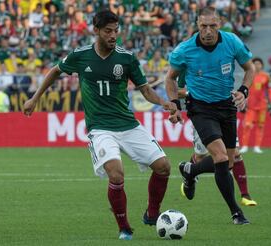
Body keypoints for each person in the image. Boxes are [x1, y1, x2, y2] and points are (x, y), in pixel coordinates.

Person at [23, 10, 177, 240]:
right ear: (95, 30)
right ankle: (124, 228)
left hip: (127, 124)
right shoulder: (81, 55)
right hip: (100, 128)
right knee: (116, 174)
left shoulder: (127, 58)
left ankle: (152, 213)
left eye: (116, 31)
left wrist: (165, 102)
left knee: (164, 166)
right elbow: (55, 72)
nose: (113, 35)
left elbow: (145, 89)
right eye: (108, 31)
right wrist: (35, 98)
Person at [165, 7, 256, 225]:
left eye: (212, 26)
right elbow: (170, 79)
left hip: (226, 105)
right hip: (200, 108)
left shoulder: (232, 41)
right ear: (197, 25)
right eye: (203, 26)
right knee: (221, 157)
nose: (207, 31)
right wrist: (175, 105)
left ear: (219, 23)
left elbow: (250, 68)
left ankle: (190, 170)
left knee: (230, 162)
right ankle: (236, 212)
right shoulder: (184, 50)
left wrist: (244, 91)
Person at [176, 71, 257, 206]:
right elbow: (177, 90)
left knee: (234, 154)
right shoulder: (189, 61)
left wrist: (239, 96)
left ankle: (245, 195)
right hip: (202, 114)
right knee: (201, 156)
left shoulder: (220, 58)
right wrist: (193, 93)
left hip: (224, 112)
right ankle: (189, 174)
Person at [240, 57, 271, 154]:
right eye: (255, 64)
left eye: (259, 64)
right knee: (247, 125)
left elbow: (269, 90)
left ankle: (257, 147)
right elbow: (244, 89)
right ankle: (245, 146)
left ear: (262, 65)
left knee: (260, 126)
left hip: (262, 106)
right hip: (250, 106)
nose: (257, 65)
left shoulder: (266, 76)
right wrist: (243, 102)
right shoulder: (249, 75)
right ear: (252, 65)